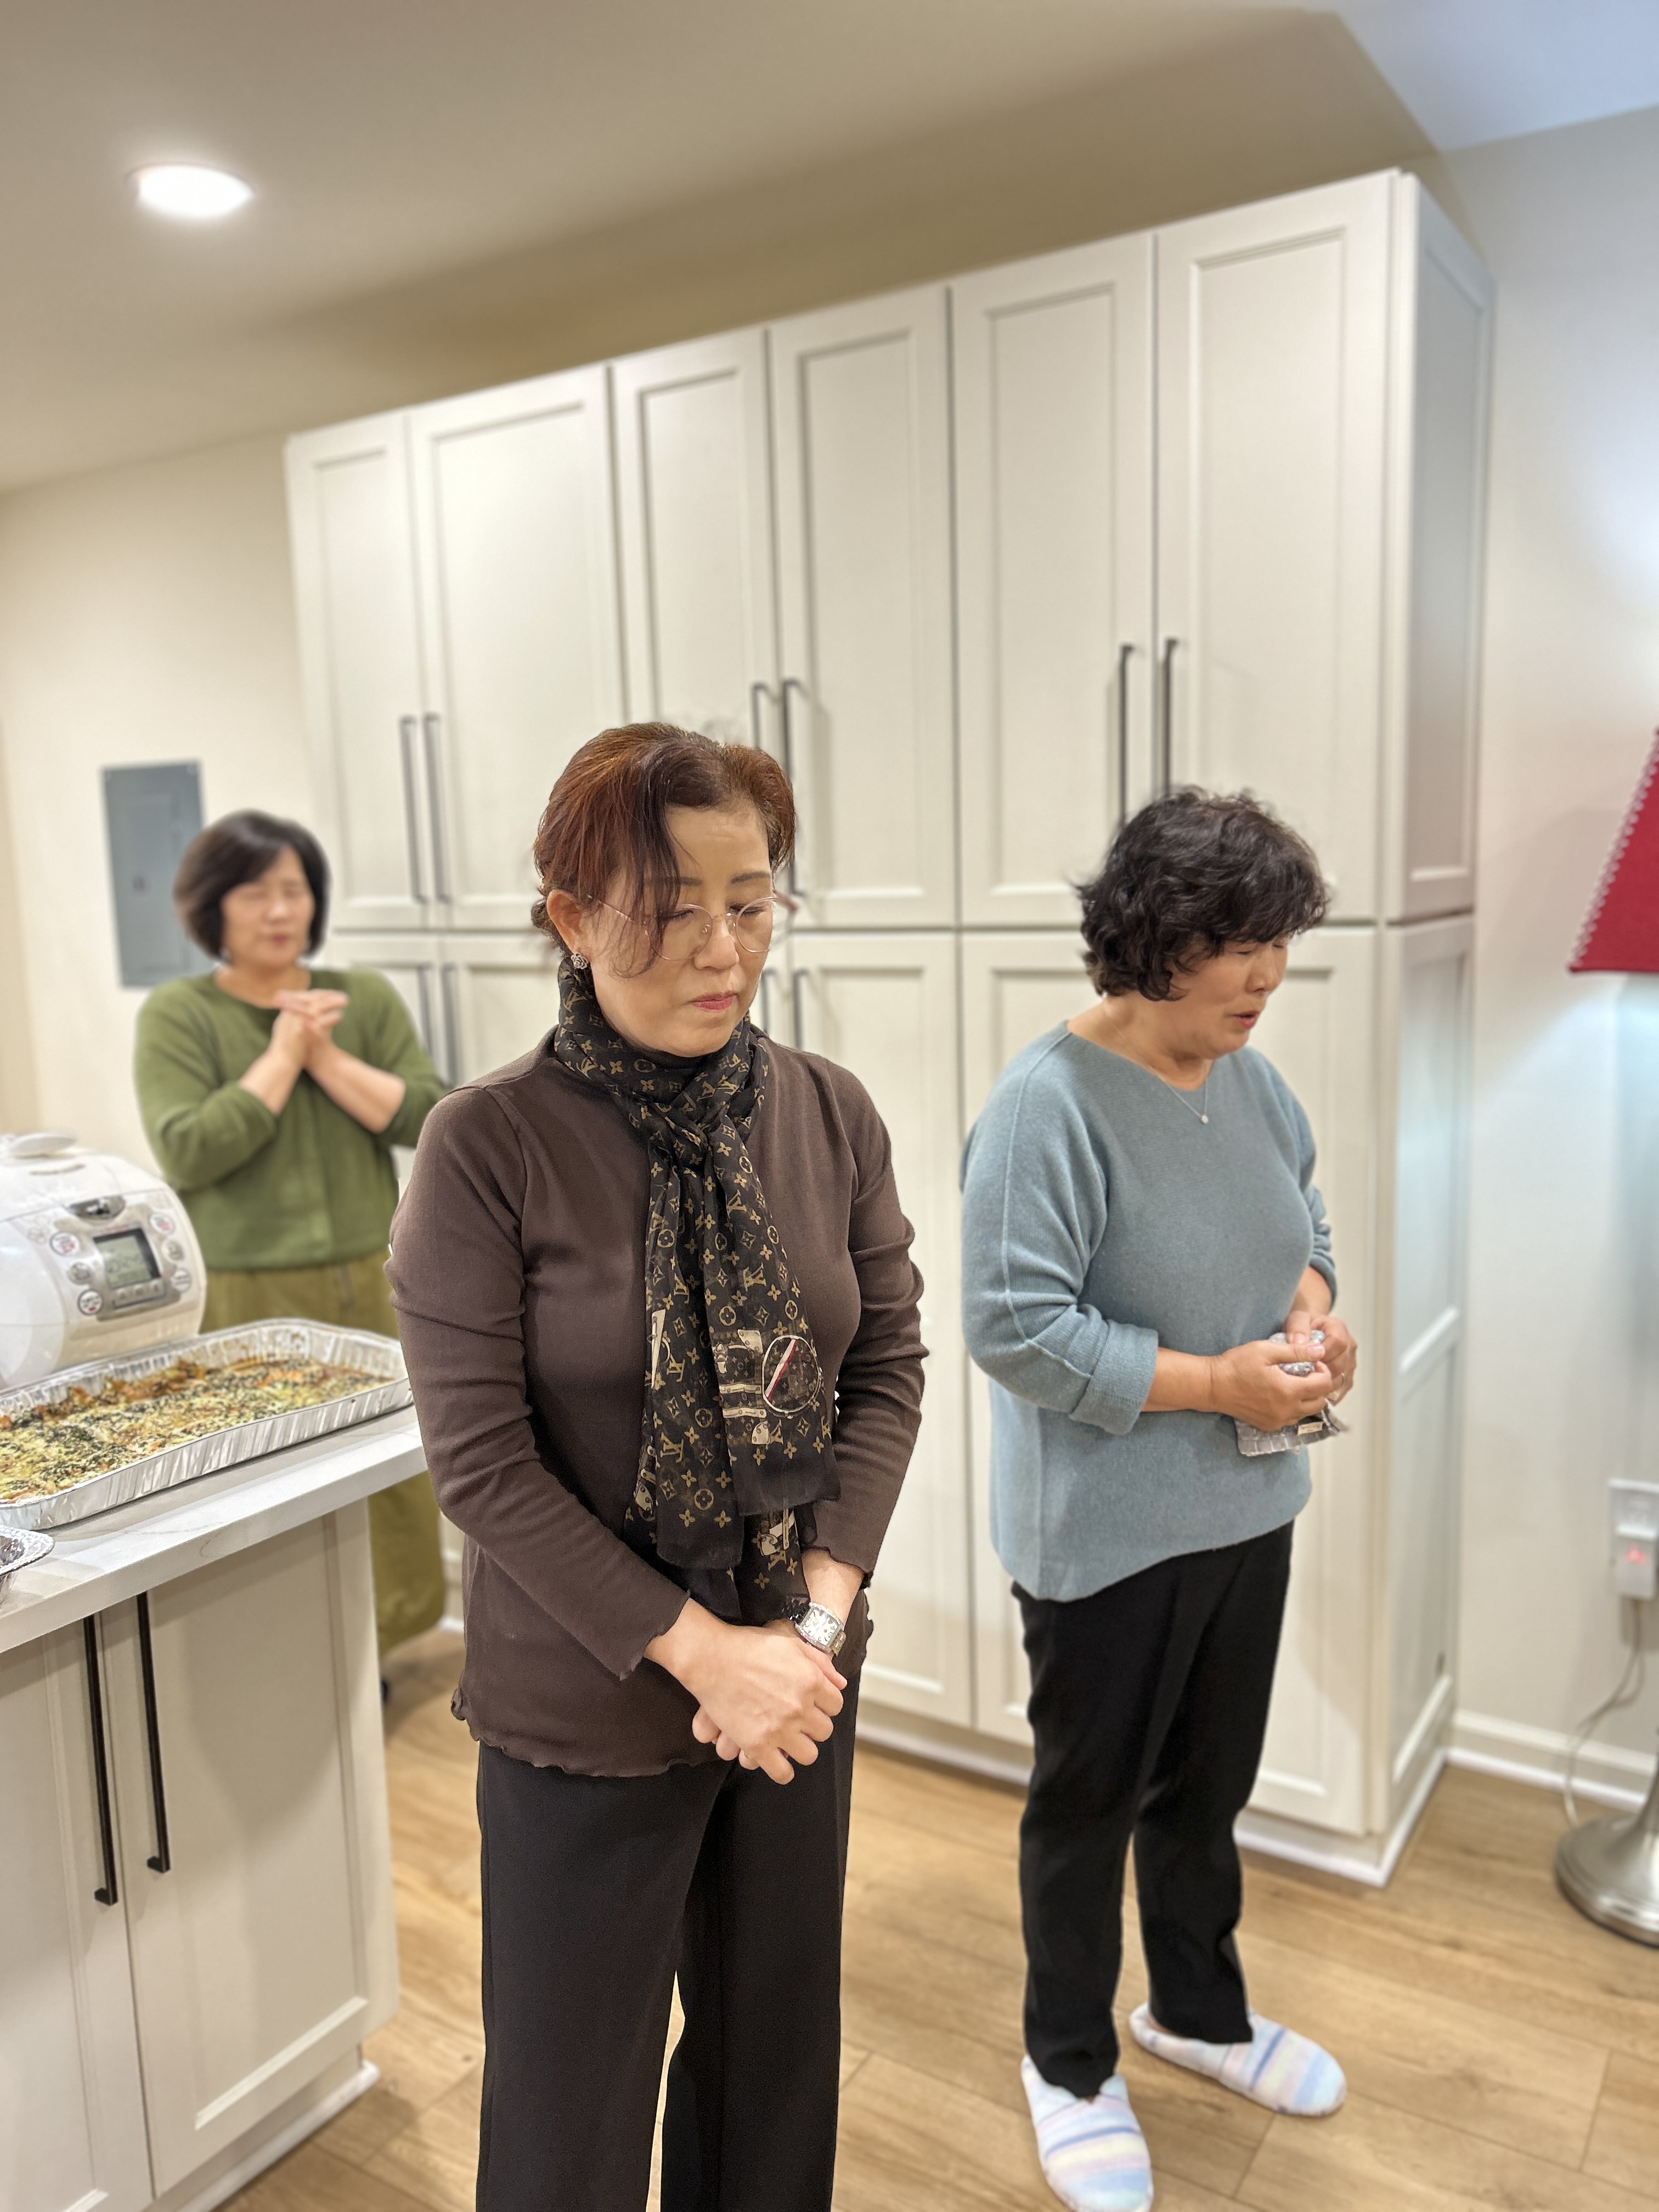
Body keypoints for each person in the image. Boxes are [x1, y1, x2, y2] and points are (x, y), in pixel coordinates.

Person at [386, 721, 924, 2212]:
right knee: (568, 2110)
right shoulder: (487, 1146)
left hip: (798, 1678)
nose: (721, 948)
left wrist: (809, 1630)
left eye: (750, 903)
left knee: (772, 2074)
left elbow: (886, 1367)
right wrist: (708, 1656)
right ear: (571, 917)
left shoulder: (828, 1110)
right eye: (670, 909)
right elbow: (483, 1467)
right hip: (593, 1693)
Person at [960, 789, 1357, 2212]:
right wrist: (1218, 1384)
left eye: (1280, 943)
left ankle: (1196, 2012)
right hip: (1107, 1541)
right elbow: (1015, 1328)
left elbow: (1306, 1220)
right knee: (1088, 1809)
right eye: (1238, 944)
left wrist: (1313, 1320)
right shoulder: (1047, 1108)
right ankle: (1067, 2063)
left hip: (1250, 1511)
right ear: (1152, 939)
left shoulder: (1253, 1079)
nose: (1267, 975)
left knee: (1206, 1794)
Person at [134, 809, 448, 1655]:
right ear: (212, 907)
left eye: (294, 889)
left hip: (371, 1275)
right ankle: (285, 1659)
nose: (279, 910)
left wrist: (323, 1056)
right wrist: (280, 1055)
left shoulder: (360, 999)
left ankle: (376, 1652)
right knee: (263, 1472)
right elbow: (188, 1148)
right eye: (254, 893)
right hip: (246, 1288)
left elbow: (429, 1116)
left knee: (386, 1467)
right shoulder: (179, 1013)